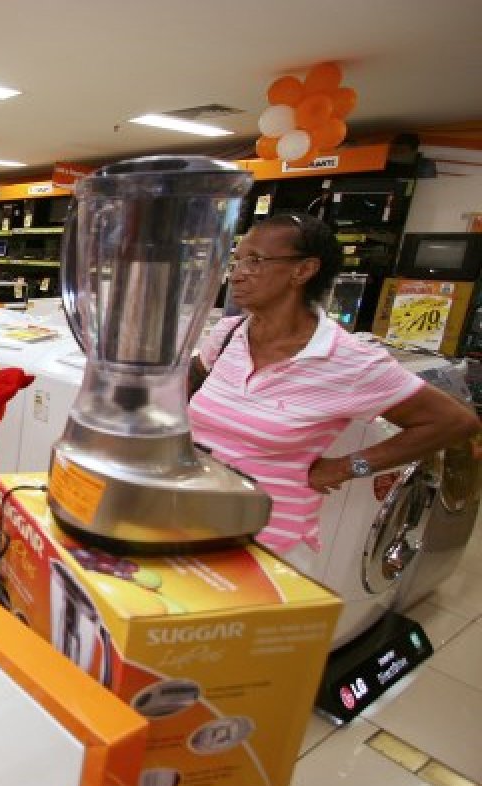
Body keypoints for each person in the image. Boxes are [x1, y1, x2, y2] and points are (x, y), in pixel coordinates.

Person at [189, 212, 480, 574]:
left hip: (268, 545)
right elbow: (192, 382)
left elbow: (454, 423)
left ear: (303, 270)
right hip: (192, 522)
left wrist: (347, 467)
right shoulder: (230, 334)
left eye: (255, 260)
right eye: (237, 259)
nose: (237, 273)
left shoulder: (350, 362)